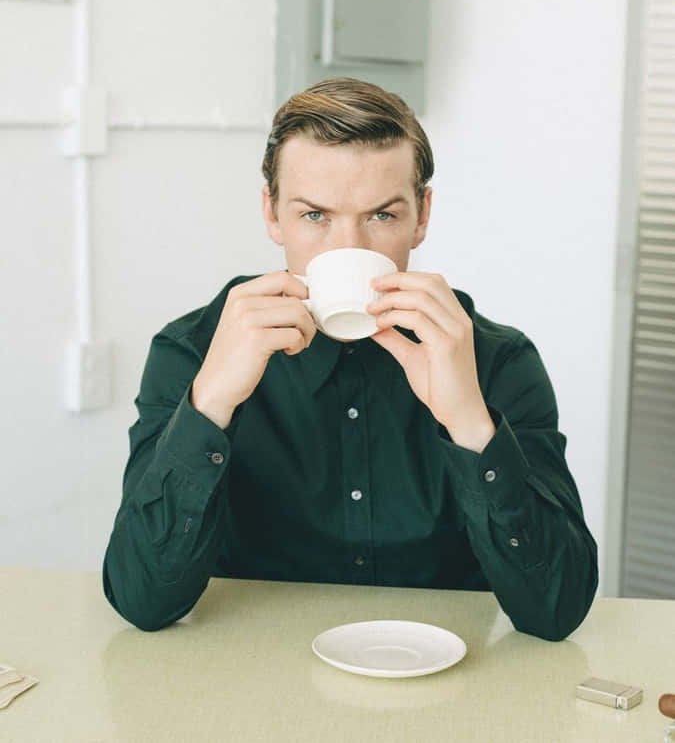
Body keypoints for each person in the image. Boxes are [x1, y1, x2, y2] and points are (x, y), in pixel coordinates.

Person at [102, 76, 598, 639]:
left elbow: (557, 611)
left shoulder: (495, 358)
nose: (349, 248)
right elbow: (142, 600)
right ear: (272, 214)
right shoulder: (193, 350)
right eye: (315, 215)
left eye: (382, 216)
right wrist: (211, 403)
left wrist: (469, 422)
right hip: (252, 678)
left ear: (422, 215)